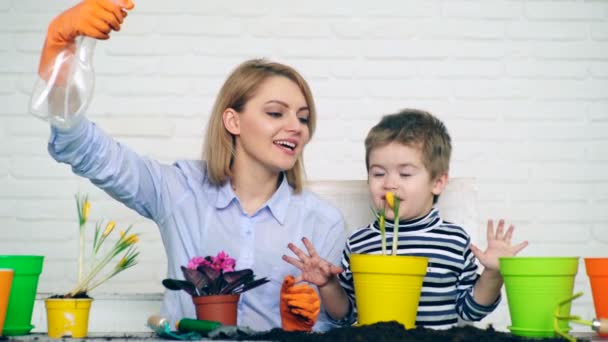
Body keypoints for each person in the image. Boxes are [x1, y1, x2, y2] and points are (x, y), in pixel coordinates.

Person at [37, 0, 346, 332]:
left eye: (303, 117)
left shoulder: (322, 221)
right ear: (233, 121)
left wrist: (312, 322)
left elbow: (340, 322)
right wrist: (61, 53)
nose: (296, 127)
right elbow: (82, 147)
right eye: (275, 113)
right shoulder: (179, 190)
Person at [283, 109, 529, 329]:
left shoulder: (453, 241)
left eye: (405, 173)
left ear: (438, 182)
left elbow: (471, 310)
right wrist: (328, 285)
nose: (389, 184)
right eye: (378, 173)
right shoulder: (359, 243)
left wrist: (493, 274)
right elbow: (345, 317)